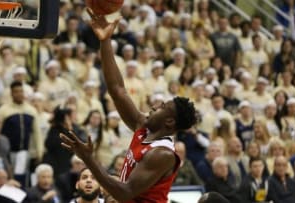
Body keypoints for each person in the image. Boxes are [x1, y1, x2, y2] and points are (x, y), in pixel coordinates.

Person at [60, 8, 197, 203]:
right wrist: (105, 40)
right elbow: (117, 90)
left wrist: (88, 159)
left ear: (168, 121)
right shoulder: (144, 127)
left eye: (161, 107)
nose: (153, 107)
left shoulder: (162, 154)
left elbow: (125, 192)